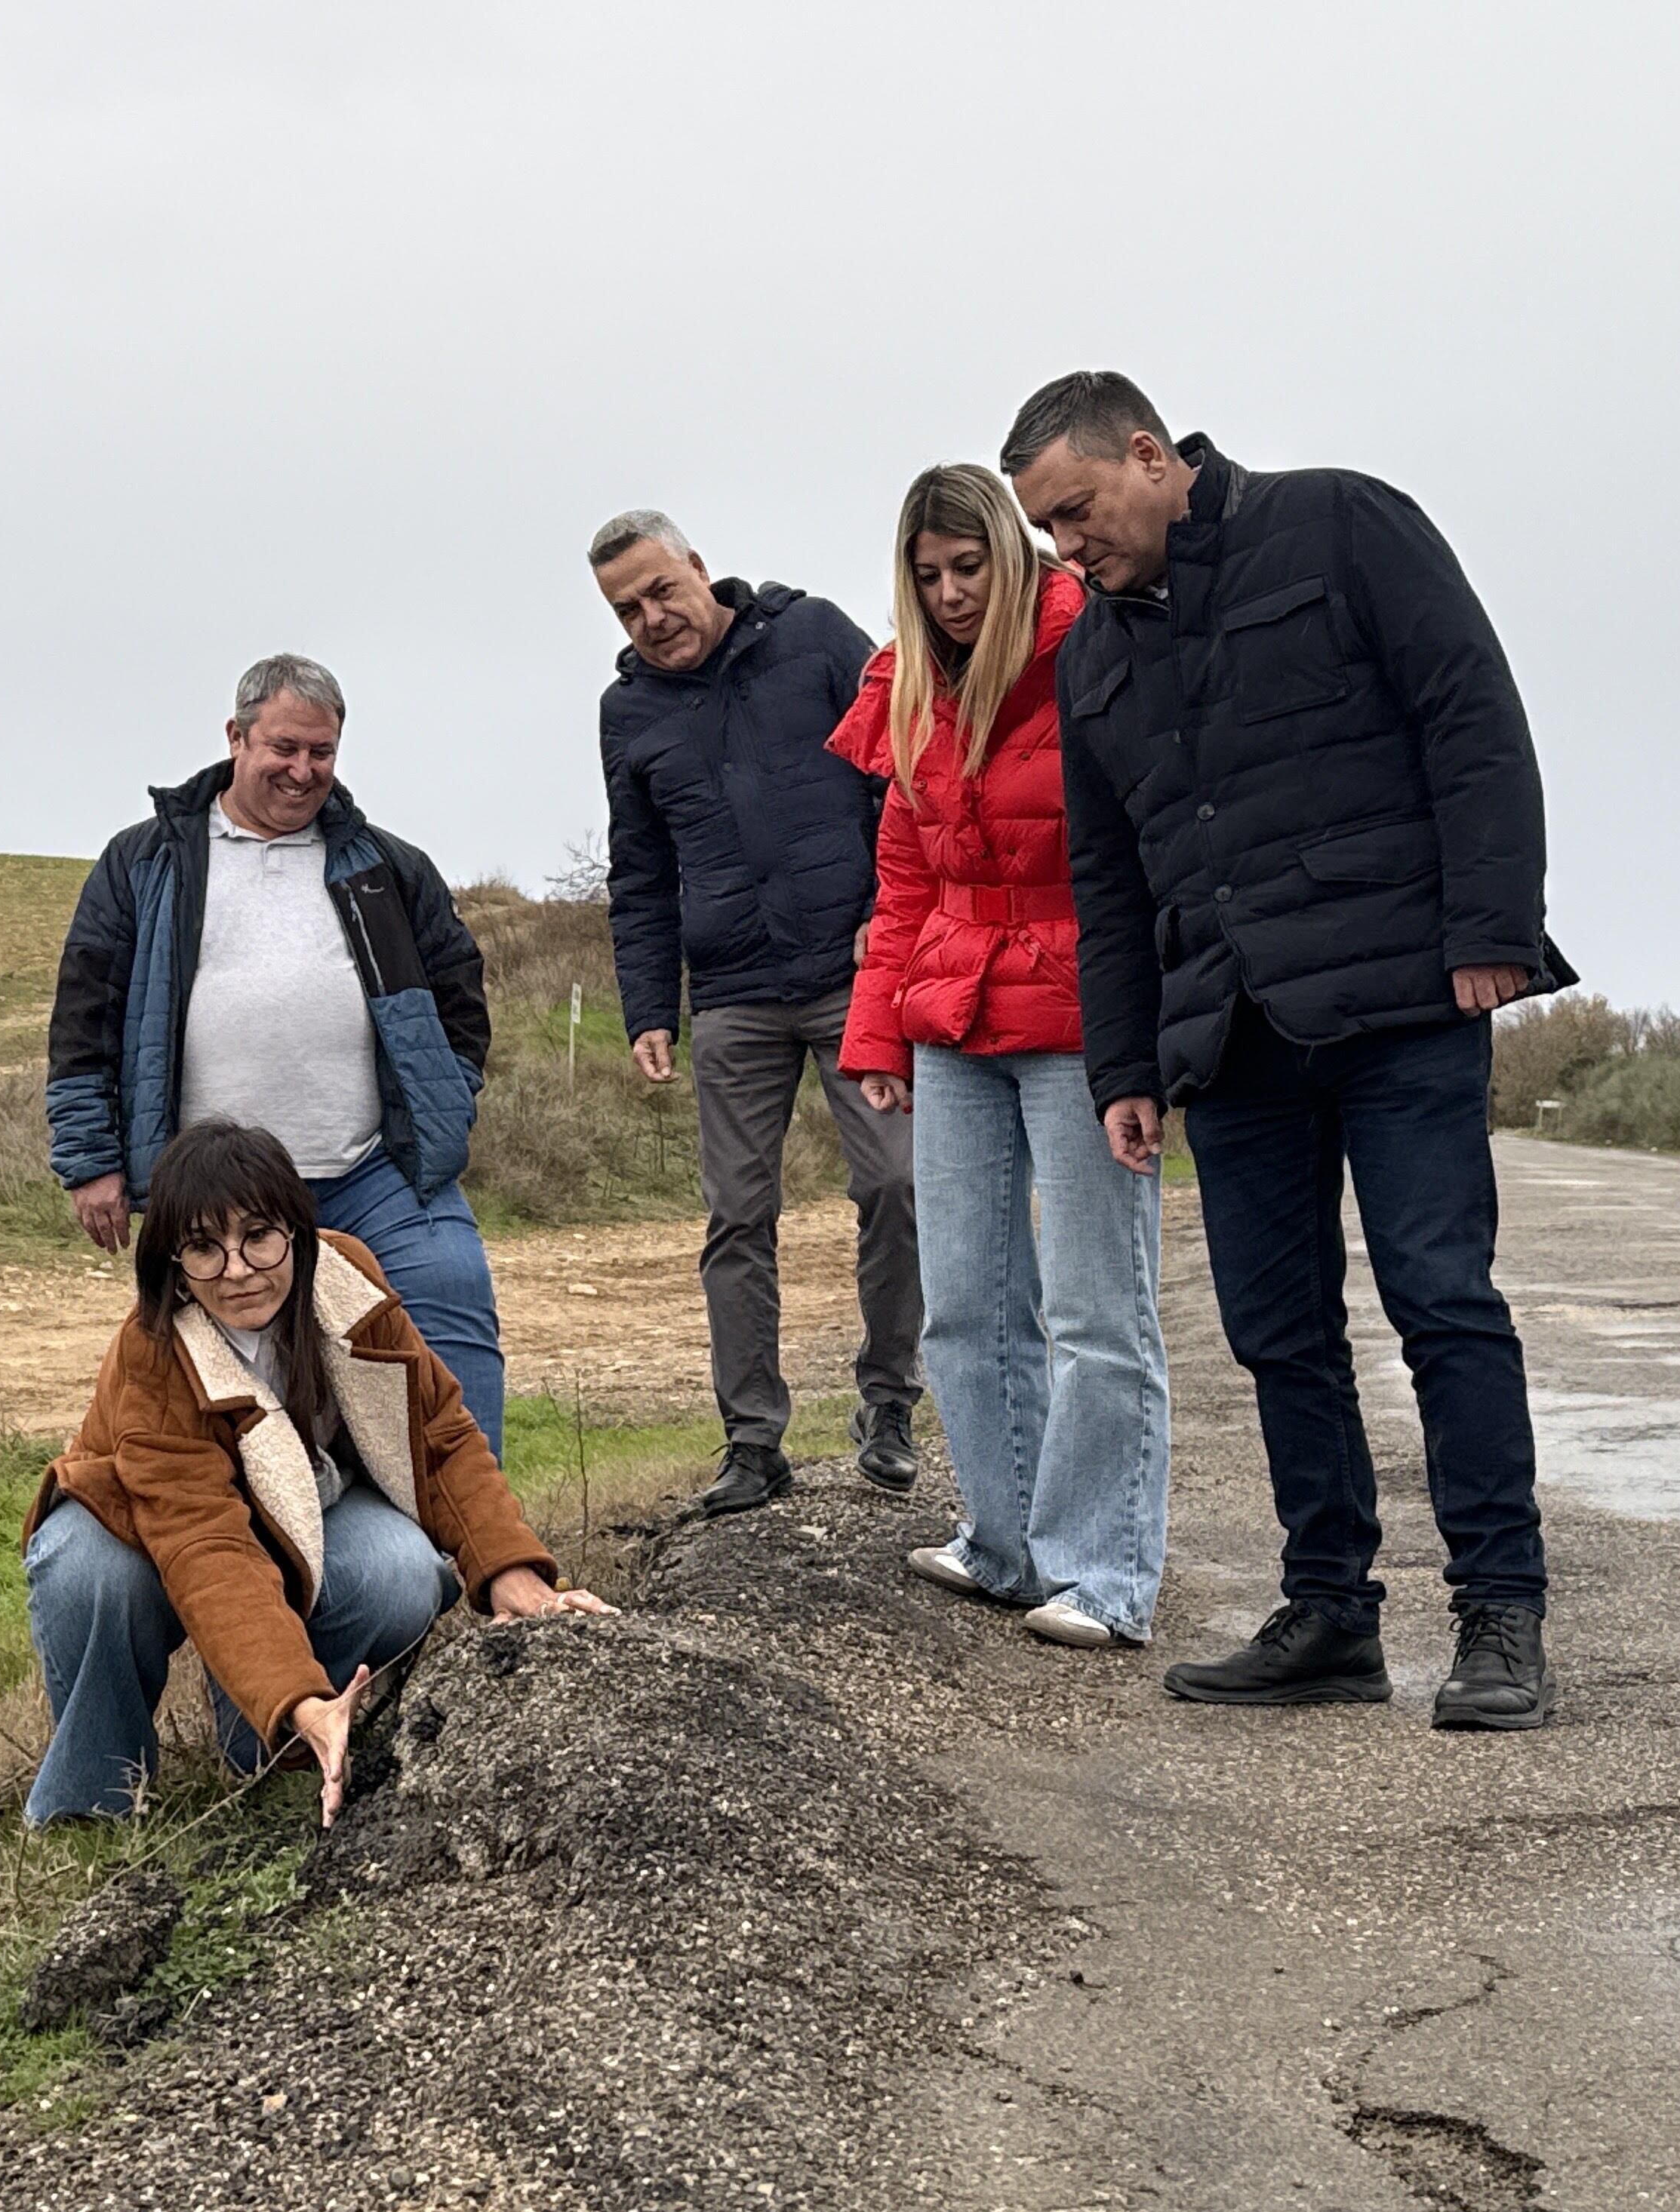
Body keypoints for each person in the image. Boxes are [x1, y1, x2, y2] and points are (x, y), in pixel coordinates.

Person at [1004, 371, 1574, 1731]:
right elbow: (1108, 876)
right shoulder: (1092, 657)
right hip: (1231, 1032)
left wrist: (1492, 926)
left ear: (1149, 454)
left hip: (1399, 999)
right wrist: (1125, 1065)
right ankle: (1329, 1612)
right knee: (1276, 1332)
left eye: (1077, 511)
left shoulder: (1340, 524)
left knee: (1441, 1301)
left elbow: (1470, 715)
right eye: (1047, 530)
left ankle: (1500, 1613)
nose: (1066, 547)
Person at [21, 1118, 611, 1822]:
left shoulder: (348, 1278)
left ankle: (273, 1743)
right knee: (89, 1571)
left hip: (301, 1506)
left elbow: (440, 1437)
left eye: (259, 1236)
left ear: (297, 1231)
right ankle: (94, 1798)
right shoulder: (153, 1348)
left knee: (404, 1571)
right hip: (143, 1522)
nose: (238, 1270)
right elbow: (207, 1545)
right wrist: (293, 1693)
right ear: (173, 1262)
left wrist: (512, 1572)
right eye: (204, 1248)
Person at [834, 466, 1170, 1651]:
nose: (950, 593)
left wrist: (1147, 1037)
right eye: (927, 574)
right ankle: (1006, 1546)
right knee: (966, 1304)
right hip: (953, 1022)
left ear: (1014, 557)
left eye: (969, 567)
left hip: (1083, 1019)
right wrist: (879, 1031)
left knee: (1095, 1309)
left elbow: (1146, 850)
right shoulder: (908, 686)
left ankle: (1106, 1577)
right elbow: (904, 878)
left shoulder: (1097, 654)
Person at [47, 654, 507, 1451]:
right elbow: (86, 1016)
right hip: (214, 1194)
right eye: (284, 748)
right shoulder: (144, 862)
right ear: (237, 737)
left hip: (376, 1174)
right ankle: (266, 1531)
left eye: (321, 753)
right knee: (224, 1398)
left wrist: (445, 1099)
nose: (303, 771)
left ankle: (478, 1528)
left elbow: (459, 1000)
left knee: (451, 1318)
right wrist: (91, 1160)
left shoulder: (387, 868)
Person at [589, 509, 924, 1513]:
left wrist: (888, 916)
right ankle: (751, 1441)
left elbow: (904, 770)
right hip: (732, 993)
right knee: (737, 1217)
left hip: (854, 976)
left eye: (662, 590)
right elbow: (640, 873)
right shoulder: (626, 712)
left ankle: (890, 1403)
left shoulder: (813, 635)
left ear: (699, 568)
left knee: (898, 1185)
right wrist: (650, 1005)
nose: (652, 617)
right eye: (627, 609)